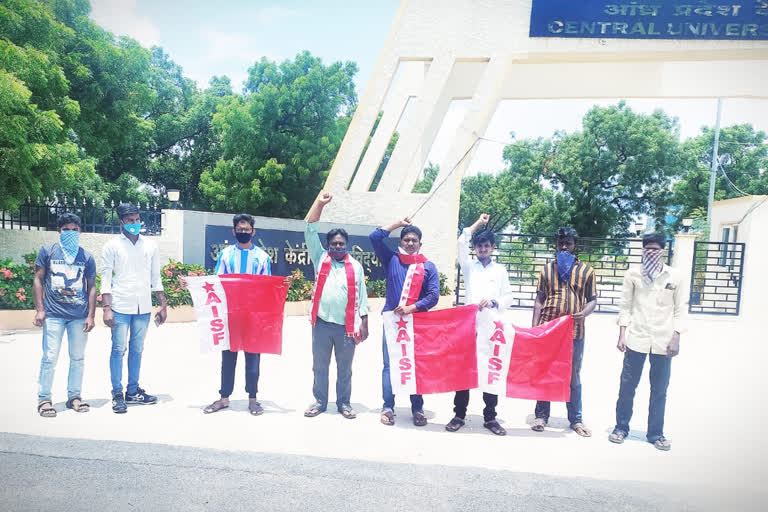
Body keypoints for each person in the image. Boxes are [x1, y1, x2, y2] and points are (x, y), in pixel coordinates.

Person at [609, 233, 685, 451]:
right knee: (627, 386)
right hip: (637, 339)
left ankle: (655, 434)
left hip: (663, 340)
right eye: (647, 249)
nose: (651, 252)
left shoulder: (674, 276)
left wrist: (676, 337)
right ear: (643, 250)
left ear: (663, 250)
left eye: (655, 249)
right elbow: (625, 306)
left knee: (659, 389)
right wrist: (622, 334)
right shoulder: (633, 274)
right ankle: (621, 427)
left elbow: (680, 309)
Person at [303, 192, 370, 419]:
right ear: (328, 245)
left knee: (345, 369)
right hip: (321, 324)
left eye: (341, 244)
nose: (338, 247)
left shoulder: (356, 267)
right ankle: (320, 401)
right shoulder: (320, 258)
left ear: (347, 245)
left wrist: (365, 323)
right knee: (319, 366)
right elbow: (310, 228)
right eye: (334, 244)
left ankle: (344, 403)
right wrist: (319, 204)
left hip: (346, 328)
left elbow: (362, 298)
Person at [446, 213, 513, 436]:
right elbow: (460, 241)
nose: (482, 249)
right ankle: (459, 415)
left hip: (492, 329)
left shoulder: (500, 271)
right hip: (469, 327)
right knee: (464, 371)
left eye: (486, 246)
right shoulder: (468, 267)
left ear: (493, 247)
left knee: (490, 370)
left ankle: (490, 417)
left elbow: (508, 298)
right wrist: (478, 224)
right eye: (479, 246)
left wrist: (494, 301)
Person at [370, 217, 440, 427]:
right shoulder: (391, 259)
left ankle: (417, 408)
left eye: (414, 240)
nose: (410, 243)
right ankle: (388, 407)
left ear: (420, 244)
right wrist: (397, 224)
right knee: (390, 365)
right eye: (406, 239)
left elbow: (434, 295)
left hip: (417, 322)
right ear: (400, 242)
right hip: (392, 322)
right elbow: (374, 237)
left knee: (415, 365)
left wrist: (412, 307)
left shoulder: (428, 267)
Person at [201, 213, 273, 416]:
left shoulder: (262, 257)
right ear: (234, 232)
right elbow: (216, 282)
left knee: (253, 358)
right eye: (239, 230)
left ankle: (253, 399)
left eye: (247, 230)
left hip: (252, 316)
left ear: (253, 231)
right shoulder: (225, 255)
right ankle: (224, 398)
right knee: (228, 357)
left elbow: (266, 286)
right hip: (230, 314)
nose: (243, 233)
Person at [101, 203, 167, 414]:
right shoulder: (111, 246)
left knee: (137, 350)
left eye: (137, 219)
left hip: (143, 307)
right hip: (120, 306)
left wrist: (163, 304)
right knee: (118, 350)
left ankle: (133, 391)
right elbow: (105, 279)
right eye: (130, 220)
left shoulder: (150, 245)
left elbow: (156, 277)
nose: (134, 223)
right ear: (121, 221)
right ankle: (117, 393)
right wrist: (107, 308)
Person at [531, 227, 596, 437]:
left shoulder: (587, 271)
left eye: (568, 243)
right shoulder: (546, 270)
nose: (564, 247)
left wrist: (584, 312)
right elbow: (539, 300)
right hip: (548, 330)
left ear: (575, 245)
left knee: (572, 375)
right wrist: (535, 328)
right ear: (556, 245)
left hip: (574, 331)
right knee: (545, 372)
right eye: (561, 243)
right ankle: (541, 416)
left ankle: (576, 419)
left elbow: (593, 300)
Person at [33, 213, 97, 417]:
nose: (71, 232)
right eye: (66, 229)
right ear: (58, 231)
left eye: (74, 229)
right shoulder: (48, 251)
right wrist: (40, 309)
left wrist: (91, 315)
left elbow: (92, 286)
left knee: (77, 358)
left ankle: (74, 397)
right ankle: (44, 399)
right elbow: (38, 279)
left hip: (78, 315)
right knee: (50, 357)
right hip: (54, 314)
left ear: (80, 231)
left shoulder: (86, 256)